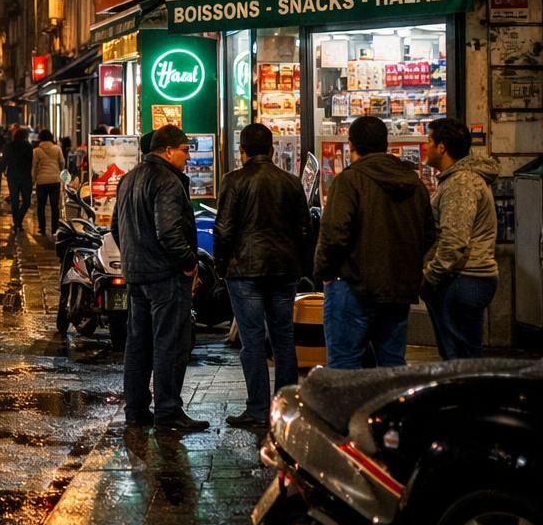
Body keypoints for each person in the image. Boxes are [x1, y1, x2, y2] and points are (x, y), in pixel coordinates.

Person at [314, 115, 436, 369]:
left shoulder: (349, 181)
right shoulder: (414, 183)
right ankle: (390, 410)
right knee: (392, 365)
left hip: (351, 287)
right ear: (386, 143)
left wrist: (324, 272)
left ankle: (350, 410)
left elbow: (334, 234)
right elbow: (428, 235)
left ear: (351, 145)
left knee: (344, 366)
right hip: (398, 289)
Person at [213, 123, 311, 429]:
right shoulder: (291, 182)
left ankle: (257, 409)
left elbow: (224, 229)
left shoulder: (233, 181)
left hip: (244, 271)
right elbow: (305, 228)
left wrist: (220, 265)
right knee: (283, 339)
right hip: (284, 269)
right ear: (271, 150)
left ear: (241, 151)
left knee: (252, 341)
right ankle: (286, 408)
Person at [112, 124, 207, 432]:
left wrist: (134, 255)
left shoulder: (128, 179)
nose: (188, 158)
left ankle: (136, 409)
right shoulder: (167, 181)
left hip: (136, 273)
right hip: (165, 276)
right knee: (169, 342)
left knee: (138, 343)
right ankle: (168, 410)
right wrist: (189, 264)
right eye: (184, 151)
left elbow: (116, 228)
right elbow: (169, 231)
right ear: (168, 151)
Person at [421, 118, 500, 359]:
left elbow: (454, 241)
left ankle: (465, 397)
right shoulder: (457, 179)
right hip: (462, 279)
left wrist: (429, 277)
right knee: (459, 356)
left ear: (441, 147)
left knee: (460, 361)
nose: (426, 146)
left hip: (463, 279)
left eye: (429, 141)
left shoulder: (461, 182)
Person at [2, 126, 34, 233]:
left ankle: (17, 223)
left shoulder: (8, 146)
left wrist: (4, 171)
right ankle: (18, 223)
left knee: (15, 201)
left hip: (13, 175)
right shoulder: (28, 147)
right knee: (26, 201)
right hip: (25, 176)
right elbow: (31, 162)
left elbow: (5, 160)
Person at [32, 129, 63, 237]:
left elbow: (34, 167)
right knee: (55, 206)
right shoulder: (57, 149)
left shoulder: (36, 151)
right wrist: (60, 173)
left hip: (42, 181)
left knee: (41, 206)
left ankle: (42, 229)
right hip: (55, 180)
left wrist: (33, 180)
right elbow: (62, 163)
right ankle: (55, 229)